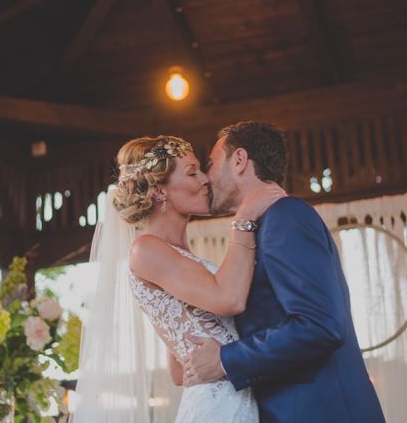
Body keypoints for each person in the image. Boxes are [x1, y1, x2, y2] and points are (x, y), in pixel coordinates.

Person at [71, 135, 285, 423]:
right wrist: (244, 219)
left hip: (231, 398)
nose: (206, 179)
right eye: (192, 172)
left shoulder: (178, 255)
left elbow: (177, 371)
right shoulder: (145, 250)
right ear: (160, 191)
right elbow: (230, 299)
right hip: (217, 408)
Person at [182, 121, 386, 422]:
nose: (207, 178)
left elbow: (318, 324)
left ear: (239, 161)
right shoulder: (257, 227)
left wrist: (225, 360)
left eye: (211, 164)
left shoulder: (285, 216)